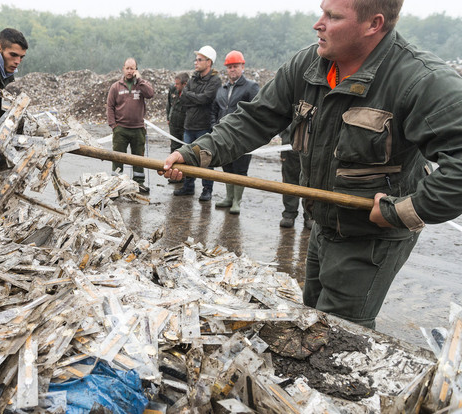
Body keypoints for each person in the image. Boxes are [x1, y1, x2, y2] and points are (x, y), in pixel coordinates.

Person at [160, 0, 462, 329]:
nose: (318, 24)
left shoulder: (419, 80)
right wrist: (196, 153)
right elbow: (255, 119)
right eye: (322, 12)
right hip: (321, 222)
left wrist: (400, 212)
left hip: (370, 237)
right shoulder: (310, 64)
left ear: (373, 24)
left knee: (338, 333)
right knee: (312, 319)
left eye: (332, 17)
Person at [211, 51, 260, 213]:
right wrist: (215, 126)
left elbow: (256, 110)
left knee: (240, 170)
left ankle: (237, 201)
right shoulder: (223, 88)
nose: (232, 69)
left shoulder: (251, 87)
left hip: (242, 138)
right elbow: (215, 109)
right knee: (227, 168)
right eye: (229, 67)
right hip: (224, 136)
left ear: (242, 66)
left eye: (235, 66)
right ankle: (229, 197)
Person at [173, 45, 221, 201]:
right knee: (187, 158)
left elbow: (206, 99)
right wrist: (196, 98)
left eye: (199, 60)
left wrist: (193, 97)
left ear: (209, 62)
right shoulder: (193, 78)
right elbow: (185, 96)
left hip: (204, 126)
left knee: (206, 159)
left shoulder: (215, 81)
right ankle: (188, 186)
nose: (196, 62)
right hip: (189, 126)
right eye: (196, 59)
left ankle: (207, 189)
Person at [106, 57, 155, 193]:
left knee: (138, 159)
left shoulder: (141, 85)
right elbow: (110, 106)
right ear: (123, 69)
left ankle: (139, 183)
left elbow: (150, 94)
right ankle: (116, 185)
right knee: (117, 158)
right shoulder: (116, 86)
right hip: (120, 129)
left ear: (136, 70)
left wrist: (139, 80)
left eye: (132, 68)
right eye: (127, 68)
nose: (129, 71)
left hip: (138, 129)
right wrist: (113, 126)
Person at [279, 127, 314, 229]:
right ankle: (289, 213)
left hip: (313, 144)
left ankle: (310, 215)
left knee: (311, 180)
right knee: (289, 179)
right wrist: (286, 136)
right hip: (290, 143)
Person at [166, 72, 188, 184]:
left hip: (184, 125)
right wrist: (168, 117)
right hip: (174, 124)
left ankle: (184, 175)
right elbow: (169, 104)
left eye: (178, 84)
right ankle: (174, 174)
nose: (175, 86)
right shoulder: (173, 89)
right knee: (174, 149)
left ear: (184, 84)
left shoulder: (188, 93)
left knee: (184, 152)